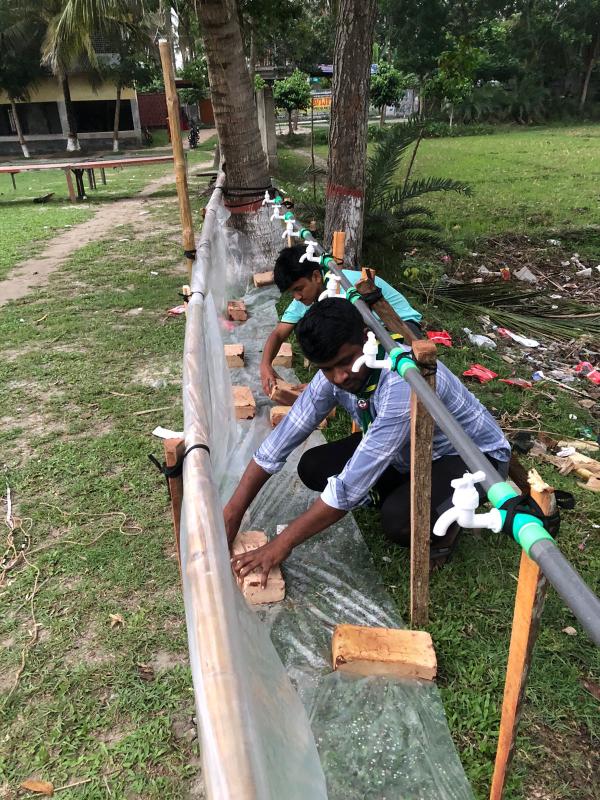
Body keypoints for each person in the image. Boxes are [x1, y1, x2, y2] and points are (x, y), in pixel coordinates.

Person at [227, 299, 511, 584]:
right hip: (409, 449)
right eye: (327, 368)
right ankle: (405, 491)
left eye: (345, 361)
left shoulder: (401, 383)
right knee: (313, 466)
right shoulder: (335, 374)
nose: (339, 376)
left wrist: (282, 544)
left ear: (366, 338)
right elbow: (282, 439)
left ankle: (445, 529)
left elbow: (348, 488)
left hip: (474, 459)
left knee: (399, 521)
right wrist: (232, 513)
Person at [260, 244, 423, 395]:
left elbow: (346, 340)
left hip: (402, 328)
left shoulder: (343, 287)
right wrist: (265, 365)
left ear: (316, 276)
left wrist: (319, 386)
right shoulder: (307, 295)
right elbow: (279, 333)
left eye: (298, 289)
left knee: (364, 357)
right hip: (370, 328)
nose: (297, 297)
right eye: (292, 292)